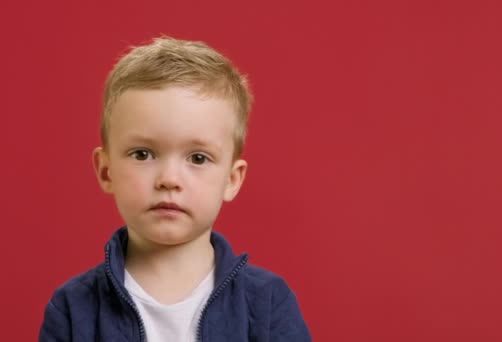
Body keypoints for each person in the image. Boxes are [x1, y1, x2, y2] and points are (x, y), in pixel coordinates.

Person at [39, 37, 311, 342]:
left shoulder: (269, 303)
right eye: (143, 154)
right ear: (106, 170)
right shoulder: (73, 309)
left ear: (232, 180)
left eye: (198, 158)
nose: (169, 179)